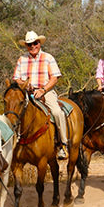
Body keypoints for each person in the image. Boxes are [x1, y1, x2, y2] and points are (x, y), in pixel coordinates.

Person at [13, 31, 68, 160]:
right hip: (27, 92)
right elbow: (16, 79)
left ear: (39, 43)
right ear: (26, 46)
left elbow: (54, 78)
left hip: (45, 91)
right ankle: (14, 143)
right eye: (29, 44)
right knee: (13, 112)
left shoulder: (48, 58)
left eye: (35, 43)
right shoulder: (22, 59)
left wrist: (43, 90)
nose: (32, 46)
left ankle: (62, 144)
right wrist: (25, 85)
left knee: (57, 112)